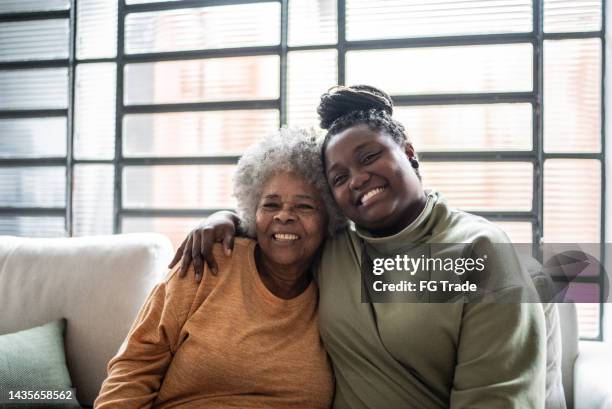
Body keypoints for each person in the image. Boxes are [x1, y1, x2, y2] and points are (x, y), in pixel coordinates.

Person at [170, 85, 547, 408]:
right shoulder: (335, 248)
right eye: (339, 177)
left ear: (410, 153)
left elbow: (496, 396)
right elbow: (279, 226)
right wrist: (225, 219)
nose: (358, 179)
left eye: (369, 157)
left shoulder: (479, 250)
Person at [95, 128, 346, 409]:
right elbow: (133, 369)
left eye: (305, 207)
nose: (284, 216)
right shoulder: (207, 260)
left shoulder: (337, 284)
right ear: (252, 212)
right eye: (271, 204)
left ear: (330, 218)